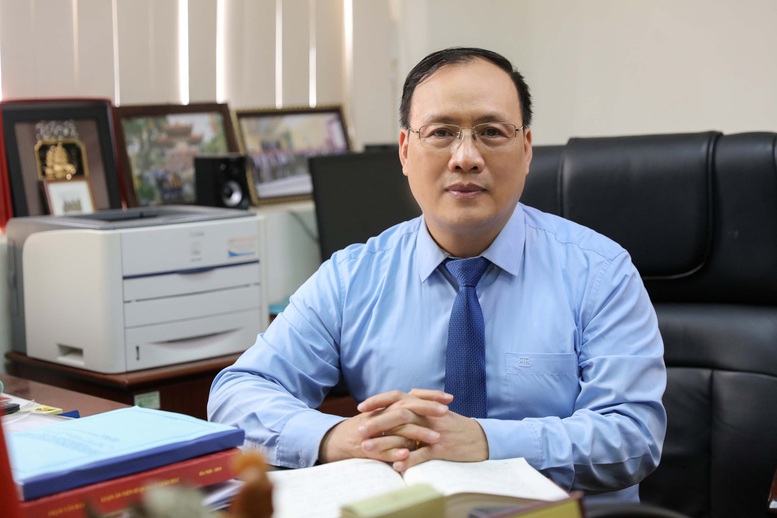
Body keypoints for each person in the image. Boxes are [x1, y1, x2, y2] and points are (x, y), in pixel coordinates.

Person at [208, 47, 667, 502]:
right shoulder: (353, 277)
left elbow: (634, 434)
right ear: (405, 150)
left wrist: (486, 442)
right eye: (442, 132)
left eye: (491, 132)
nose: (465, 157)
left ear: (526, 149)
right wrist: (337, 437)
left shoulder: (599, 272)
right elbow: (237, 394)